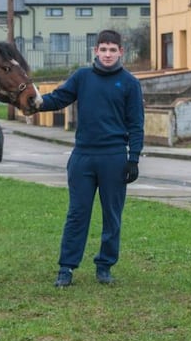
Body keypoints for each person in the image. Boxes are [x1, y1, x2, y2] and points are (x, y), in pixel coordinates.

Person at [38, 29, 144, 287]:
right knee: (77, 213)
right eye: (103, 49)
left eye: (113, 50)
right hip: (83, 157)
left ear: (121, 52)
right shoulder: (82, 77)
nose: (107, 54)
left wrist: (134, 158)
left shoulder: (130, 83)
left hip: (114, 159)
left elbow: (136, 124)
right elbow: (59, 98)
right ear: (95, 51)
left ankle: (105, 265)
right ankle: (66, 268)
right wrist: (34, 101)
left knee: (112, 215)